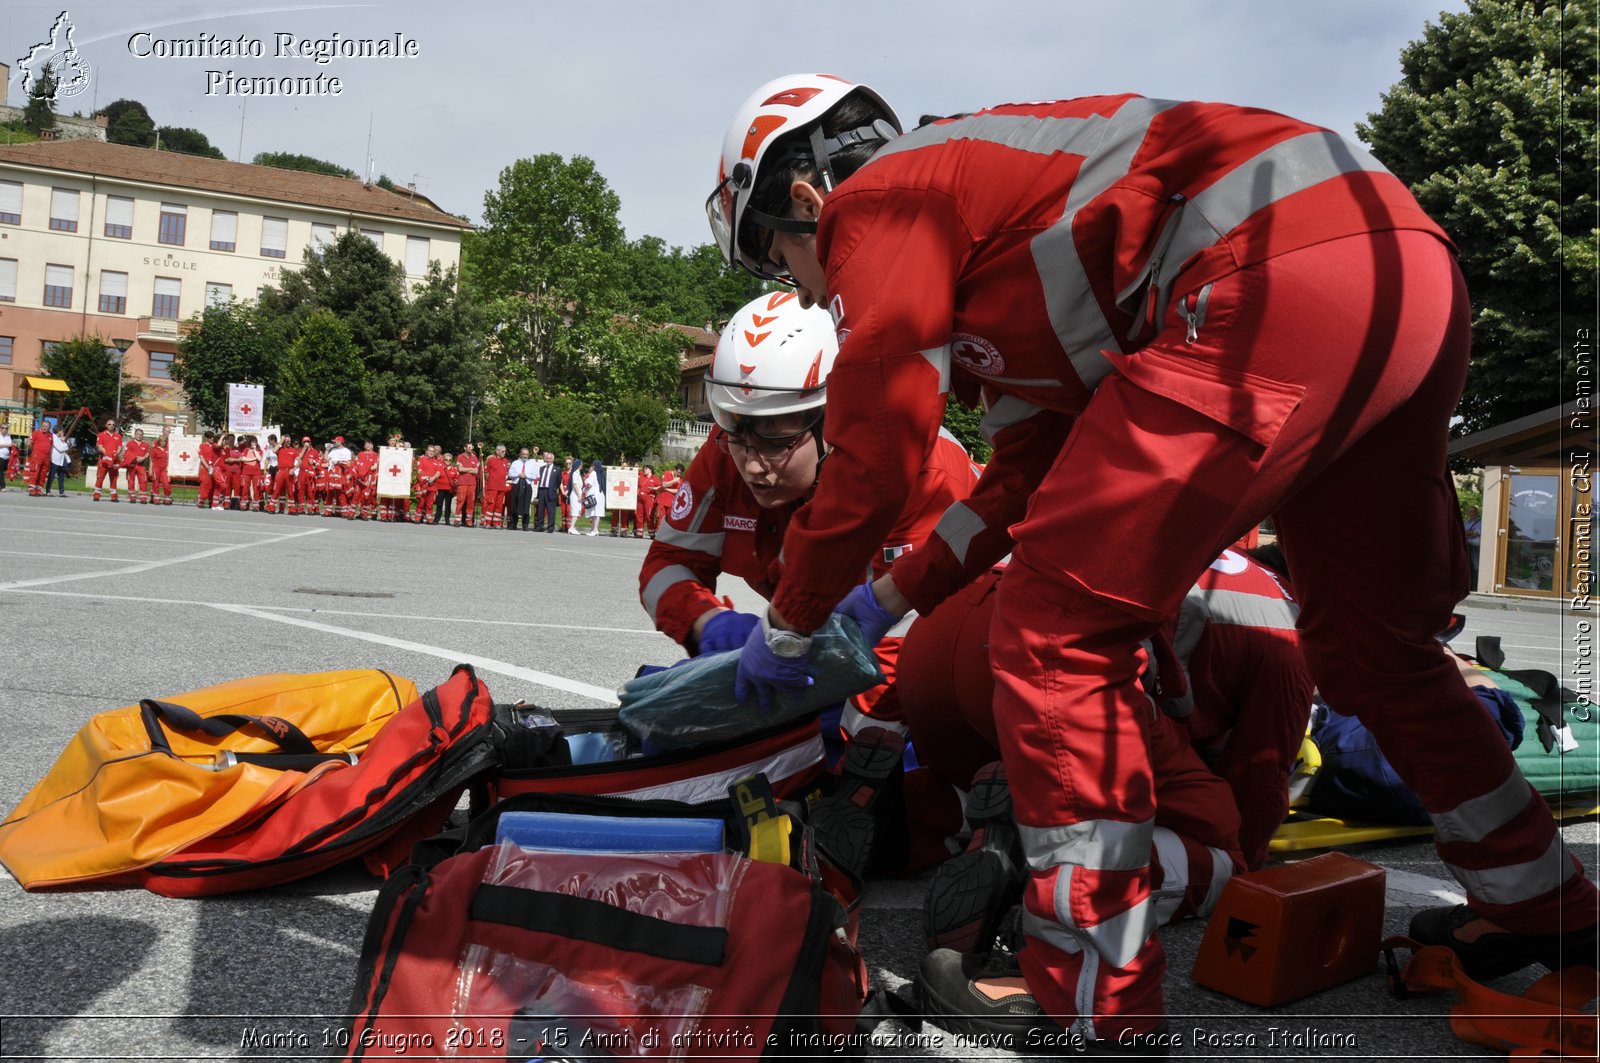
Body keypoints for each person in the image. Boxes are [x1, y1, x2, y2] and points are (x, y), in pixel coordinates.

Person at [706, 73, 1598, 1045]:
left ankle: (1093, 1006)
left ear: (803, 195)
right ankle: (1548, 915)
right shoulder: (993, 222)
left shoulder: (877, 194)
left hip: (1270, 269)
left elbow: (876, 444)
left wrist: (791, 625)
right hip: (1404, 268)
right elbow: (1012, 484)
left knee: (1050, 632)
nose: (803, 284)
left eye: (782, 256)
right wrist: (878, 600)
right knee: (1380, 656)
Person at [639, 293, 980, 873]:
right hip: (817, 654)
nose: (751, 463)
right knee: (672, 704)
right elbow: (666, 565)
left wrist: (822, 702)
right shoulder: (728, 453)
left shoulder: (919, 470)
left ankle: (958, 814)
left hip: (943, 659)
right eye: (738, 435)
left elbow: (919, 634)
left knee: (877, 749)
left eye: (774, 439)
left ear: (835, 418)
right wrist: (711, 625)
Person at [92, 418, 123, 502]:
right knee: (100, 477)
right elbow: (99, 446)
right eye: (109, 424)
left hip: (114, 460)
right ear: (106, 425)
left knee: (113, 478)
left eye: (113, 425)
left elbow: (119, 447)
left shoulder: (118, 436)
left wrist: (115, 455)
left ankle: (114, 496)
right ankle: (96, 495)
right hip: (104, 460)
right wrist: (108, 454)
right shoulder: (101, 435)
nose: (111, 426)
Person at [482, 444, 509, 529]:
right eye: (502, 451)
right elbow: (486, 473)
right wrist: (490, 481)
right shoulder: (491, 460)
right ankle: (487, 522)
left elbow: (506, 473)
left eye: (505, 451)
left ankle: (497, 523)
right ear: (497, 451)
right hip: (492, 487)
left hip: (502, 487)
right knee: (491, 504)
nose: (504, 453)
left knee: (499, 506)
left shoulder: (505, 461)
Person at [507, 447, 534, 531]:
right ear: (520, 454)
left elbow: (535, 475)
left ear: (528, 455)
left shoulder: (532, 464)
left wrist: (526, 475)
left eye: (526, 454)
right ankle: (513, 524)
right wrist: (518, 474)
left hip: (527, 484)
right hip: (516, 484)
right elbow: (510, 473)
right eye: (523, 454)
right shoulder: (515, 463)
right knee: (514, 504)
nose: (525, 456)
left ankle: (525, 525)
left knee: (526, 505)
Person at [120, 428, 149, 504]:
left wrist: (143, 458)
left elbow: (148, 453)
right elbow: (126, 453)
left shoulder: (145, 444)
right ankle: (132, 497)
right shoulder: (130, 443)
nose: (139, 436)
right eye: (138, 434)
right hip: (131, 465)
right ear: (135, 435)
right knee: (131, 481)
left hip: (141, 466)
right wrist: (135, 457)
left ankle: (143, 498)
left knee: (143, 481)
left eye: (141, 435)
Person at [455, 442, 481, 527]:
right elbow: (460, 469)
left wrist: (466, 469)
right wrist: (471, 469)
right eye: (469, 447)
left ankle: (469, 521)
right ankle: (457, 520)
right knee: (460, 501)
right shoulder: (460, 457)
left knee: (471, 502)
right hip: (462, 483)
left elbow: (476, 471)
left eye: (472, 447)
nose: (471, 448)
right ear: (465, 448)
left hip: (472, 483)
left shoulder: (475, 458)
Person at [26, 419, 52, 497]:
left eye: (46, 426)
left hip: (46, 457)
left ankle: (38, 488)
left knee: (43, 473)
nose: (44, 428)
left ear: (49, 427)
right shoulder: (36, 433)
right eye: (43, 426)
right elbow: (30, 442)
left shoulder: (51, 435)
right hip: (37, 456)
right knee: (35, 471)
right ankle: (32, 489)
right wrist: (30, 449)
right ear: (41, 426)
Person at [634, 464, 659, 539]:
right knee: (639, 515)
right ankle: (639, 533)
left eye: (646, 469)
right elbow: (636, 472)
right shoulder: (641, 477)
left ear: (650, 470)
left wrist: (655, 488)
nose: (644, 470)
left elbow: (660, 486)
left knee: (649, 516)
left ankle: (652, 533)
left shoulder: (655, 478)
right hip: (640, 498)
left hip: (649, 498)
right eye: (644, 469)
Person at [47, 424, 72, 496]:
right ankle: (48, 491)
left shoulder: (60, 438)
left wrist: (65, 441)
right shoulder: (54, 437)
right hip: (54, 460)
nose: (63, 432)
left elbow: (67, 448)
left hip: (61, 460)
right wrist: (64, 442)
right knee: (51, 476)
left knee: (61, 476)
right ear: (58, 431)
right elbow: (60, 448)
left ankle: (61, 492)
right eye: (62, 431)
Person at [149, 431, 173, 505]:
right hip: (156, 468)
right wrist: (150, 469)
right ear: (159, 442)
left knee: (166, 483)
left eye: (164, 441)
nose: (163, 443)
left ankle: (167, 497)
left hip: (164, 469)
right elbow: (151, 460)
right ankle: (156, 497)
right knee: (155, 483)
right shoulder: (155, 449)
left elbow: (170, 460)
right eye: (161, 441)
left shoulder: (168, 450)